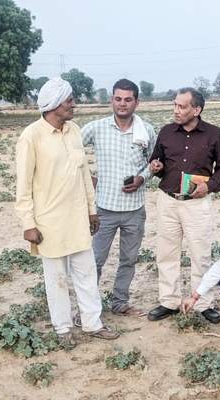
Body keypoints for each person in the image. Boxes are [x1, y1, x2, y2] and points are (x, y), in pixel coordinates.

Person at [15, 77, 119, 347]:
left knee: (86, 273)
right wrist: (29, 223)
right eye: (69, 100)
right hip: (48, 223)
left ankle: (92, 323)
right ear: (52, 105)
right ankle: (62, 330)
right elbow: (23, 186)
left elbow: (84, 174)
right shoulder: (31, 136)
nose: (74, 104)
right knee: (57, 278)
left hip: (77, 219)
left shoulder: (73, 130)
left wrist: (91, 211)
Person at [147, 87, 220, 324]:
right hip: (168, 201)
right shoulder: (166, 132)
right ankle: (169, 301)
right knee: (166, 254)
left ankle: (203, 304)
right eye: (174, 105)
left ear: (197, 109)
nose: (176, 110)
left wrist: (211, 185)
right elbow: (157, 161)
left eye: (182, 106)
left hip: (197, 204)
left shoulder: (214, 134)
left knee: (200, 254)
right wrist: (156, 167)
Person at [81, 79, 155, 317]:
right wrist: (86, 178)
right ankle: (89, 308)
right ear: (111, 99)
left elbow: (154, 164)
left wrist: (142, 178)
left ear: (137, 102)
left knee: (129, 260)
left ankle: (120, 302)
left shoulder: (146, 131)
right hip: (104, 208)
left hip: (135, 209)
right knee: (95, 260)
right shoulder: (96, 127)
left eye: (128, 99)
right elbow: (70, 150)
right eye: (118, 98)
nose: (122, 104)